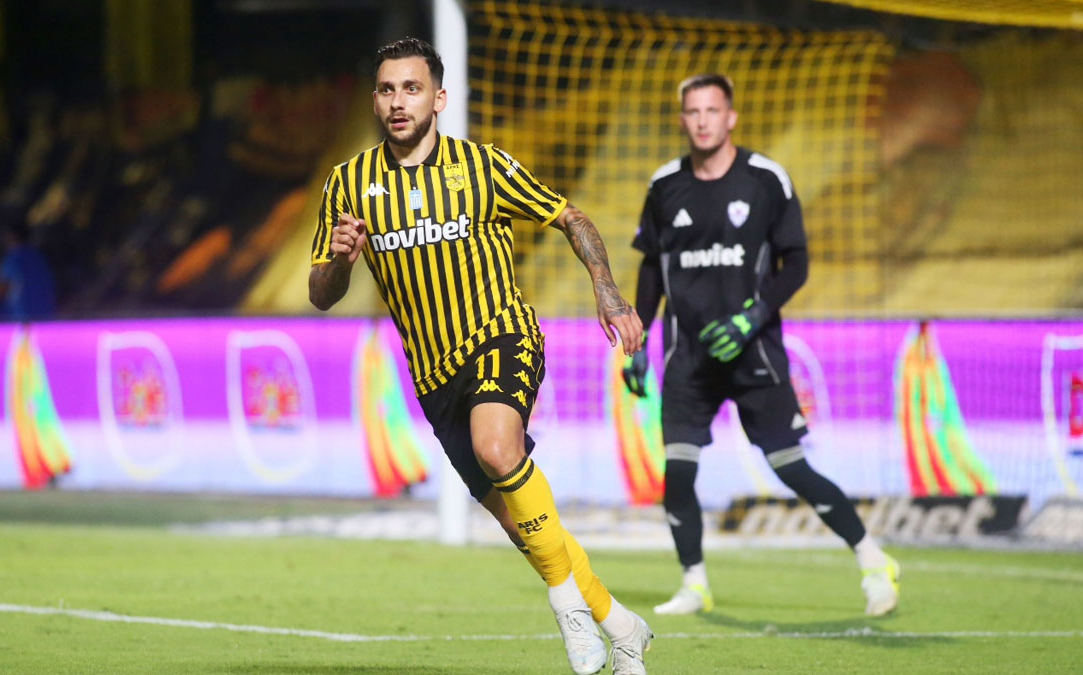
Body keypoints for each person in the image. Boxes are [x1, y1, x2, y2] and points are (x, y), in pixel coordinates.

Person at [309, 38, 653, 675]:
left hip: (502, 335)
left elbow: (570, 217)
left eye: (412, 88)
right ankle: (621, 625)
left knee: (497, 449)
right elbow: (321, 295)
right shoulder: (348, 185)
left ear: (439, 98)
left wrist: (607, 289)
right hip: (434, 373)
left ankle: (568, 609)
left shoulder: (483, 167)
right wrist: (339, 261)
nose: (398, 101)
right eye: (387, 89)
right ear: (375, 101)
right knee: (523, 524)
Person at [621, 74, 900, 618]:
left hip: (754, 354)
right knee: (679, 469)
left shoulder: (766, 179)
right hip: (687, 357)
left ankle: (874, 560)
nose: (702, 121)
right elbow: (652, 268)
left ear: (731, 118)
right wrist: (638, 342)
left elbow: (797, 264)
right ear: (682, 120)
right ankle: (694, 583)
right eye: (693, 112)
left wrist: (750, 318)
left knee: (789, 466)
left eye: (712, 110)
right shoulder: (665, 185)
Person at [0, 220, 56, 322]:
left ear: (10, 236)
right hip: (46, 321)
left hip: (20, 323)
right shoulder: (39, 257)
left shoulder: (14, 259)